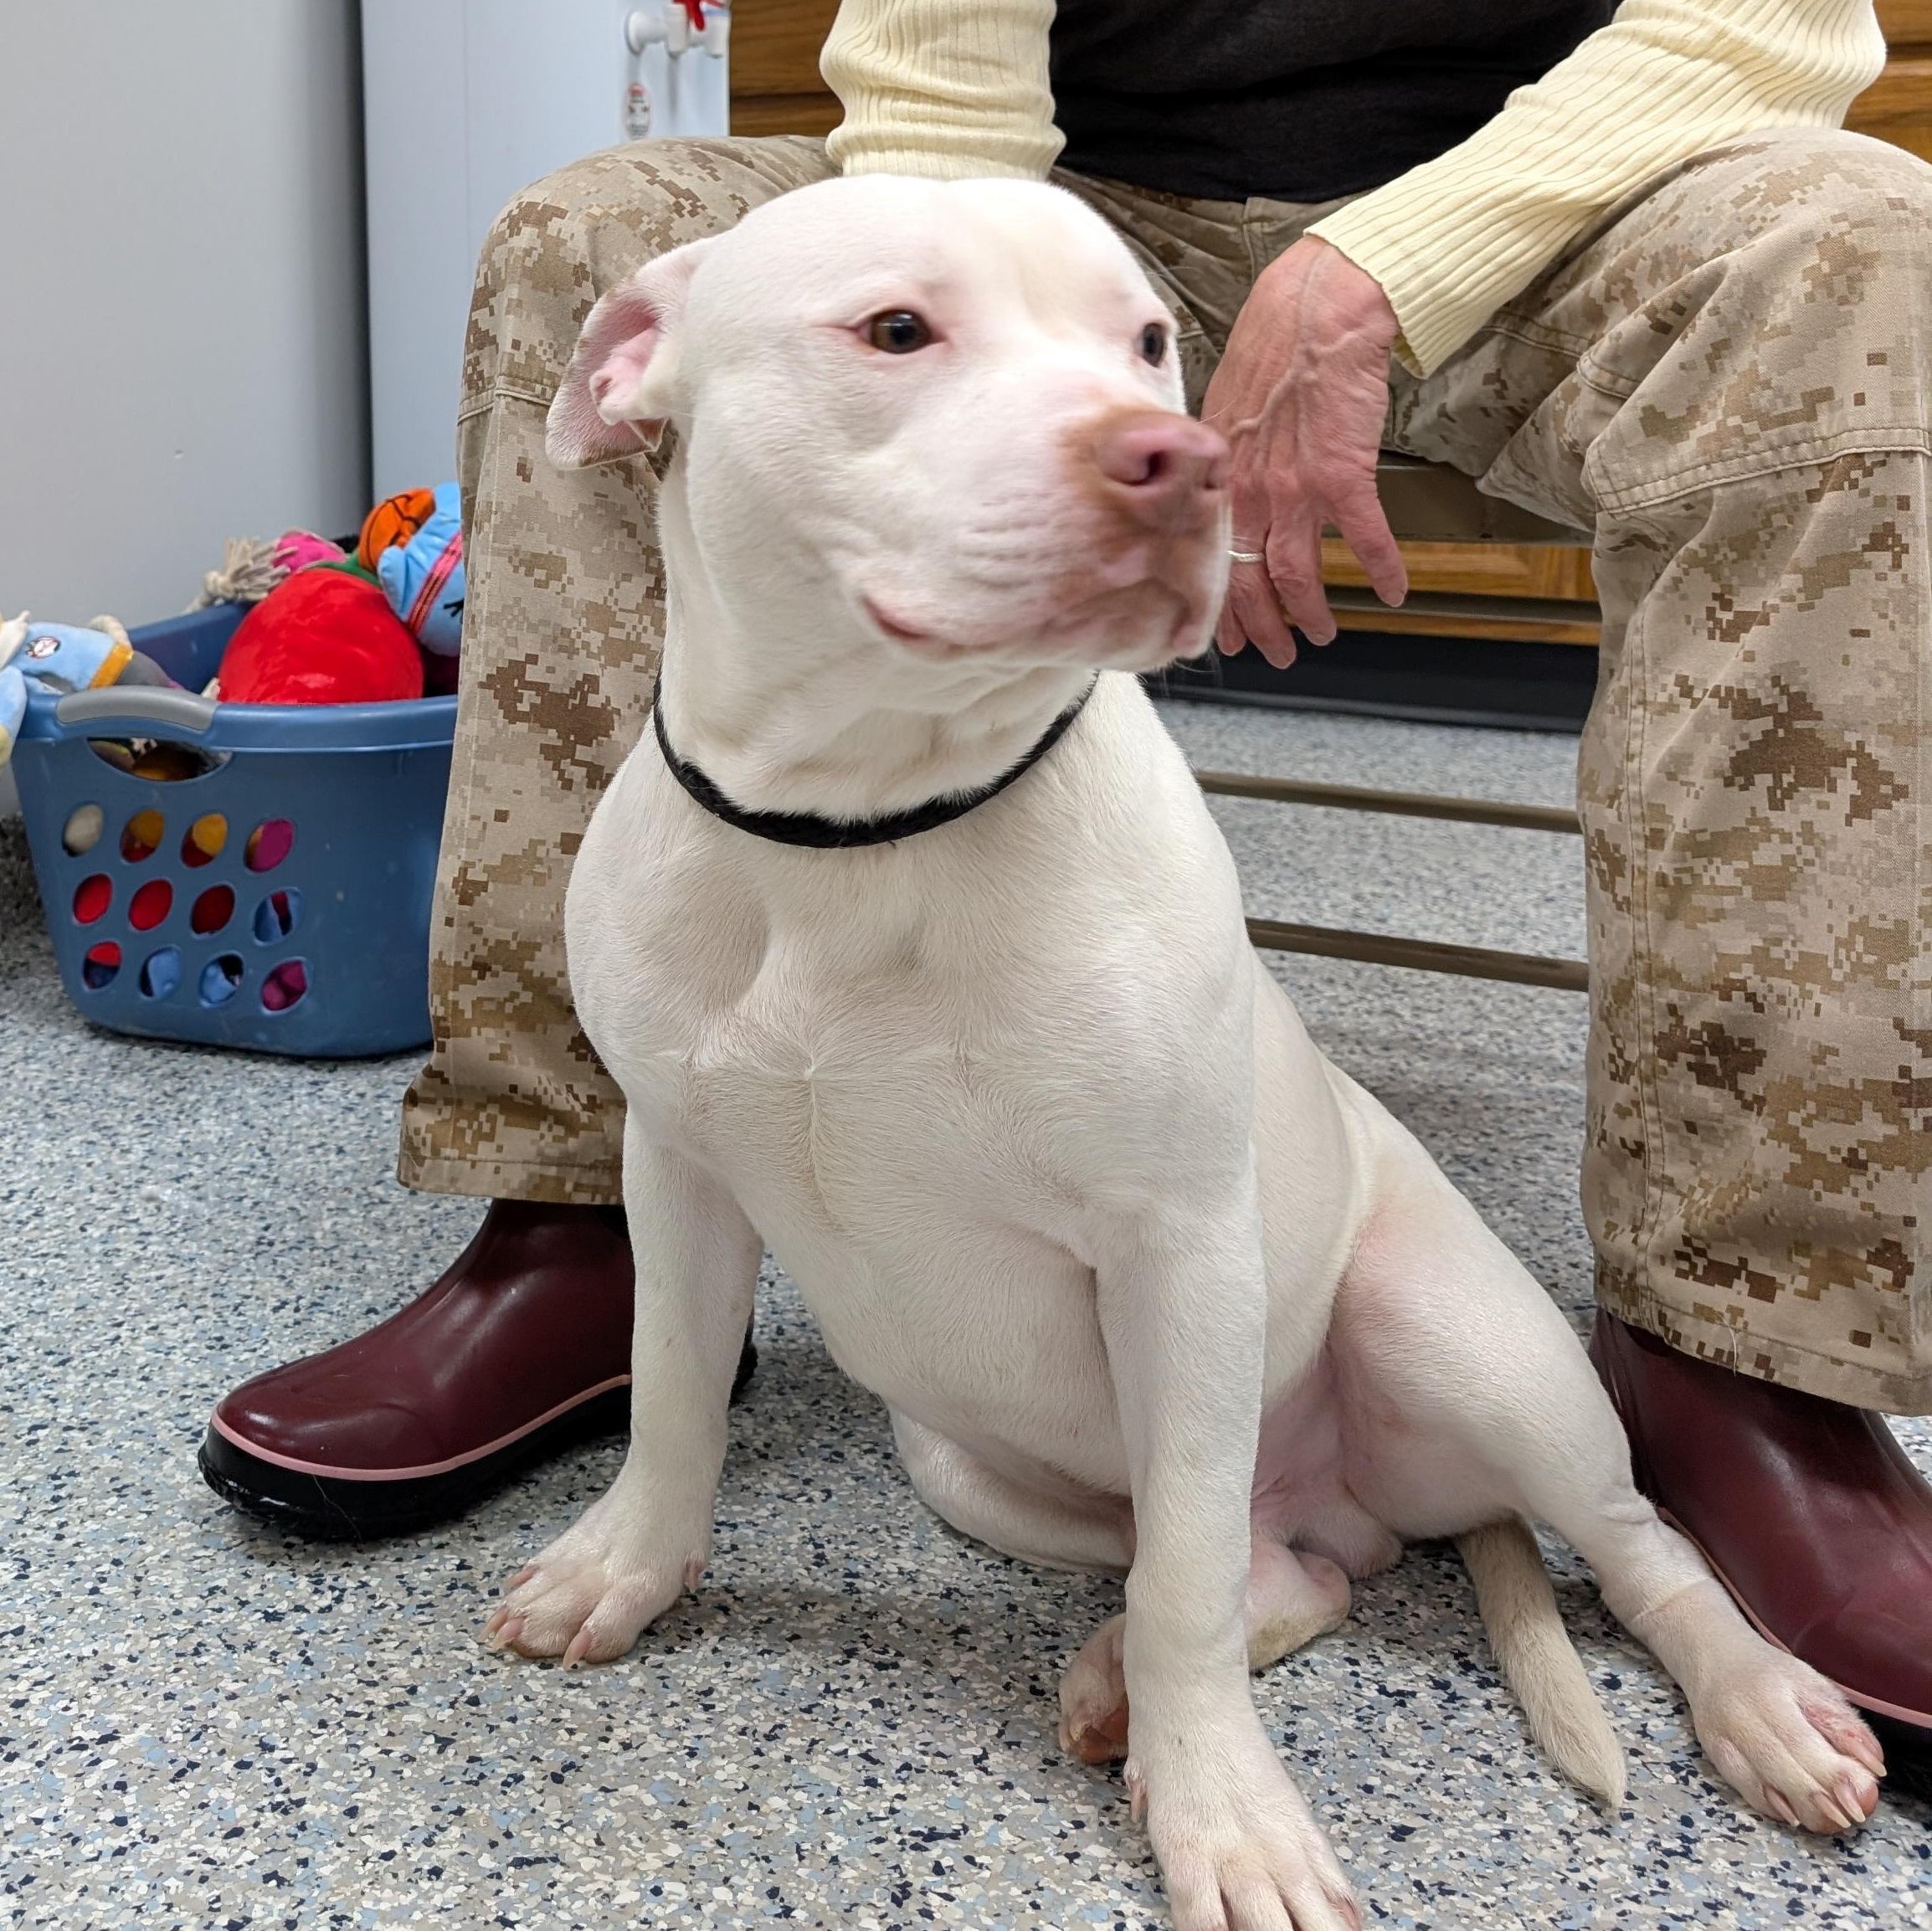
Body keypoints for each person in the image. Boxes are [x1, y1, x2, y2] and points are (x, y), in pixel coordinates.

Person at [203, 0, 1932, 1767]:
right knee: (583, 231)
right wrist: (973, 329)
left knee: (1864, 250)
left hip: (1563, 194)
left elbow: (1760, 25)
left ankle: (1747, 1346)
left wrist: (1370, 270)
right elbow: (940, 61)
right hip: (1083, 202)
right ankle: (577, 1204)